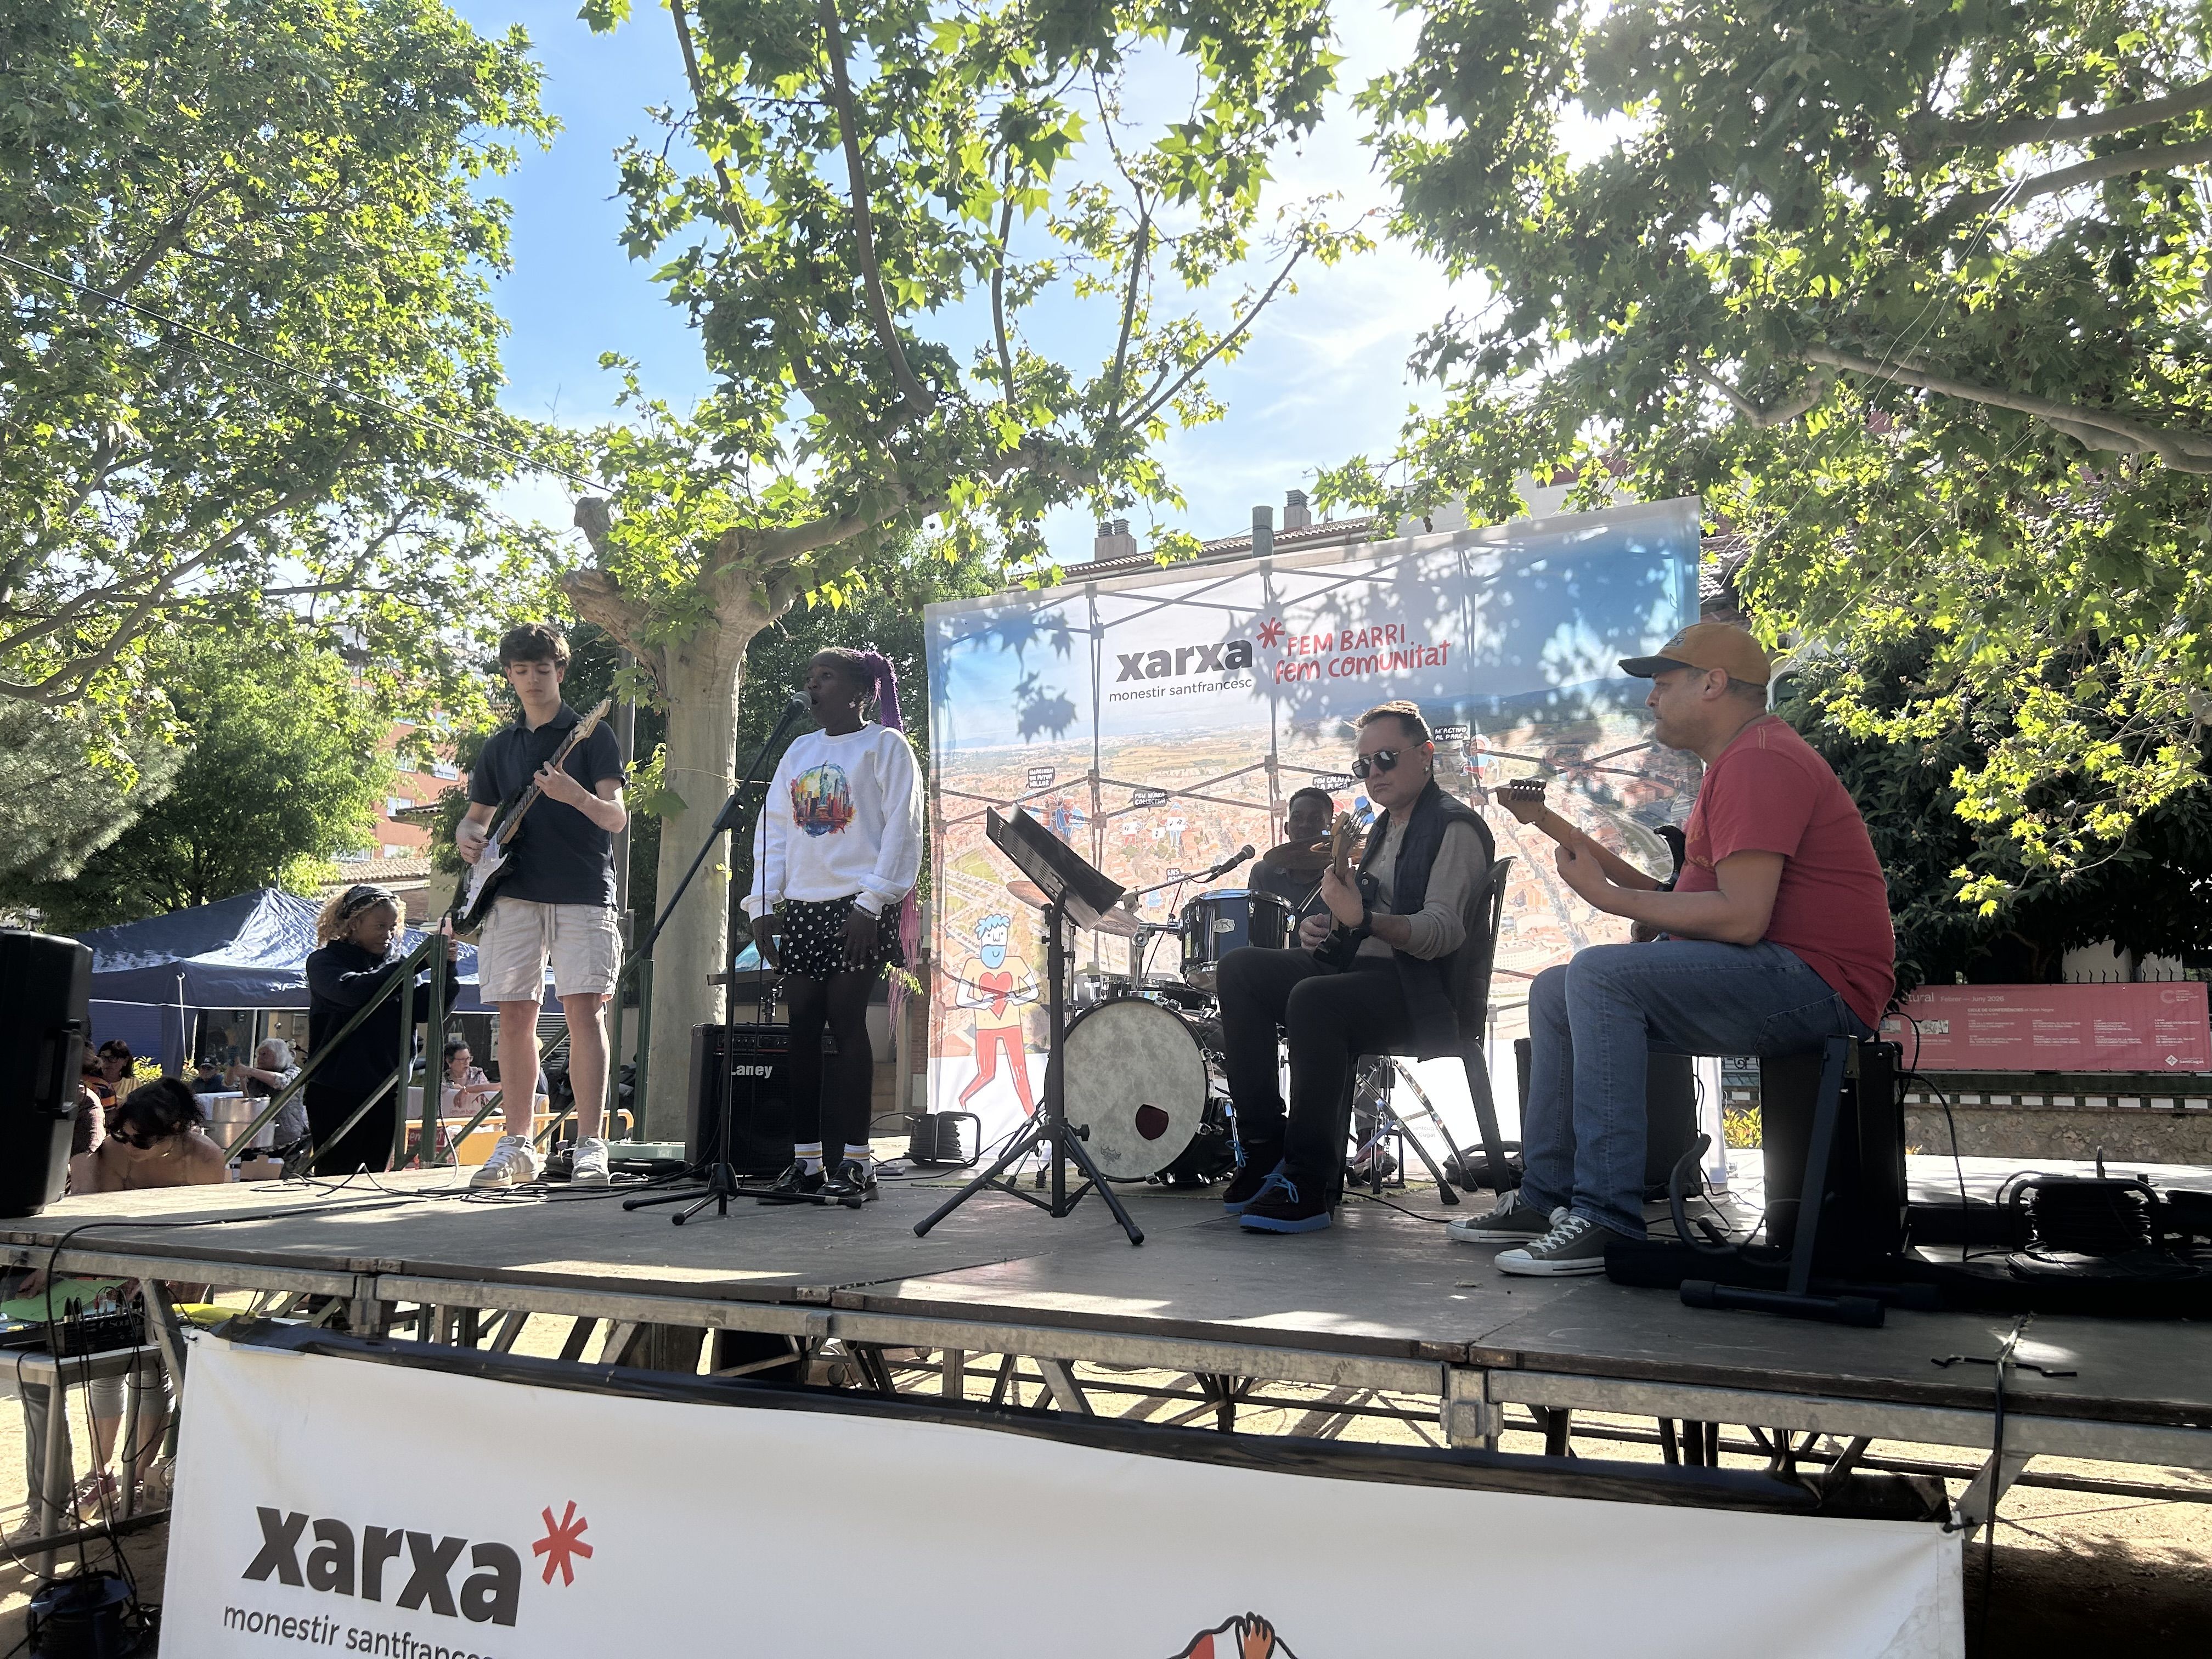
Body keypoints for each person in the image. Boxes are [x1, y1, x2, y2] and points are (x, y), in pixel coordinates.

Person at [1454, 622, 1895, 1275]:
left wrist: (1610, 901)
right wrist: (1614, 886)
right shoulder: (1737, 764)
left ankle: (1607, 1216)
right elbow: (1684, 899)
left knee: (1601, 975)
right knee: (1554, 990)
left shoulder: (1760, 759)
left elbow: (1743, 918)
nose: (1650, 701)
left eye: (1663, 685)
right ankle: (1546, 1197)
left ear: (1713, 684)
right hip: (1779, 973)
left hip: (1822, 984)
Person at [1215, 702, 1494, 1234]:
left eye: (1386, 758)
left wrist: (1364, 921)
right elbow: (1358, 920)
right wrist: (1325, 929)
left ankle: (1309, 1181)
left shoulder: (1456, 827)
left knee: (1315, 1000)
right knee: (1242, 970)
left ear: (1426, 756)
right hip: (1368, 975)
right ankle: (1263, 1150)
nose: (1374, 774)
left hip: (1423, 993)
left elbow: (1440, 933)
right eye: (1362, 765)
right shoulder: (1385, 827)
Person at [745, 648, 923, 1205]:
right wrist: (762, 903)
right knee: (801, 1027)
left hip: (857, 906)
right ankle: (805, 1162)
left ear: (861, 692)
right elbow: (773, 827)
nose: (813, 685)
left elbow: (904, 826)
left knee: (847, 1026)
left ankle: (857, 1161)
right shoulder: (798, 750)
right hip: (801, 902)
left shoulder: (885, 747)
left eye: (825, 677)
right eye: (810, 676)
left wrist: (873, 904)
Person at [458, 623, 628, 1189]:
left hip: (582, 890)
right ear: (509, 675)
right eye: (521, 670)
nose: (532, 679)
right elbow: (476, 817)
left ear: (561, 670)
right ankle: (517, 1143)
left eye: (543, 669)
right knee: (514, 1014)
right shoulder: (500, 746)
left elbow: (615, 817)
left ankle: (589, 1143)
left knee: (585, 1012)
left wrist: (574, 795)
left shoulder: (591, 736)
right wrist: (467, 836)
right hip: (513, 893)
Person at [46, 1078, 225, 1520]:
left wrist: (179, 1280)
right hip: (116, 1271)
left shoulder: (205, 1160)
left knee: (153, 1373)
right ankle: (101, 1470)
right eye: (120, 1133)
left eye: (140, 1140)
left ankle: (139, 1471)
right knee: (104, 1371)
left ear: (177, 1131)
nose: (127, 1145)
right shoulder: (111, 1152)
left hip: (174, 1273)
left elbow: (208, 1234)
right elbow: (96, 1222)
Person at [304, 885, 452, 1177]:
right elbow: (353, 993)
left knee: (374, 1171)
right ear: (354, 924)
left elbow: (429, 1010)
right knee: (336, 1171)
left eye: (393, 926)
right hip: (337, 1087)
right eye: (380, 926)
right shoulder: (325, 961)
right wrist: (408, 967)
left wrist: (448, 968)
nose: (388, 934)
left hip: (387, 1085)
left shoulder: (395, 967)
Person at [1250, 787, 1335, 925]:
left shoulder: (1343, 877)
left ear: (1331, 828)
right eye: (1297, 818)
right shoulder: (1263, 873)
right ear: (1286, 828)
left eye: (1316, 818)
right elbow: (1255, 928)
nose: (1305, 825)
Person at [229, 1038, 306, 1149]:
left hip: (287, 1140)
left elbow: (282, 1083)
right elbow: (231, 1085)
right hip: (259, 1136)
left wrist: (249, 1071)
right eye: (259, 1055)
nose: (260, 1058)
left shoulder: (294, 1071)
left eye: (265, 1054)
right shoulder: (258, 1074)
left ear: (280, 1055)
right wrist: (234, 1067)